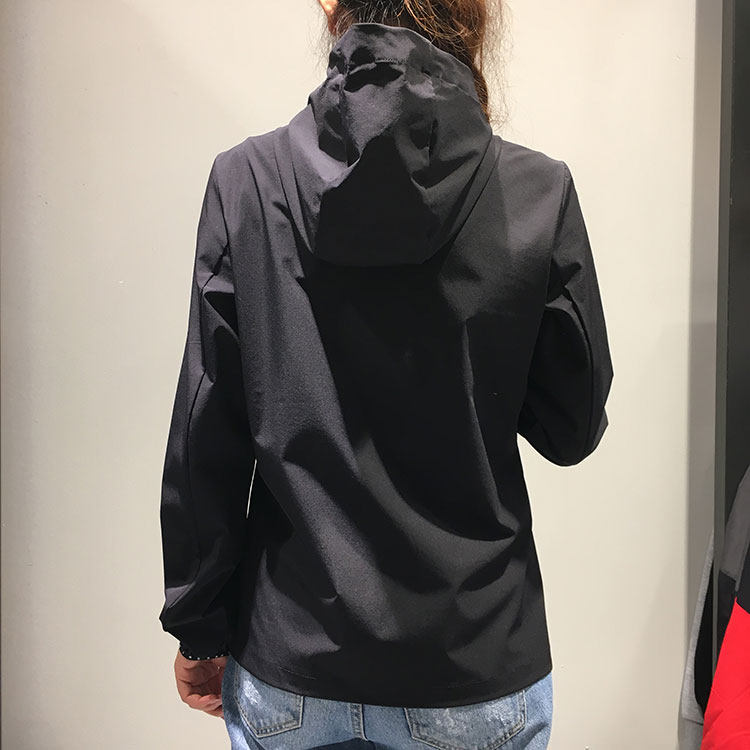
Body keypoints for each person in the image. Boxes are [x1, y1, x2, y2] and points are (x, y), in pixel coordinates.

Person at [158, 0, 614, 747]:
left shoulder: (245, 181)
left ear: (331, 6)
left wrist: (199, 626)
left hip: (291, 664)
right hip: (472, 663)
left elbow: (206, 431)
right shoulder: (537, 191)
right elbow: (572, 428)